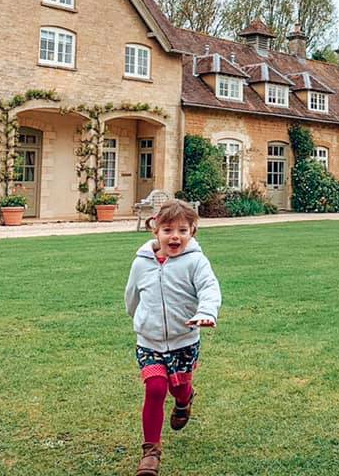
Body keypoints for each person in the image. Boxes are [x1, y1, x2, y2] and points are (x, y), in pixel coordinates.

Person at [124, 199, 221, 476]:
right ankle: (151, 452)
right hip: (149, 341)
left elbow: (209, 289)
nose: (174, 236)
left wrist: (206, 312)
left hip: (184, 340)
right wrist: (138, 318)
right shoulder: (141, 263)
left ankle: (184, 398)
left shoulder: (196, 262)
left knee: (177, 387)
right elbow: (132, 295)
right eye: (167, 230)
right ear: (155, 231)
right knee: (155, 388)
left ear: (192, 232)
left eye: (182, 230)